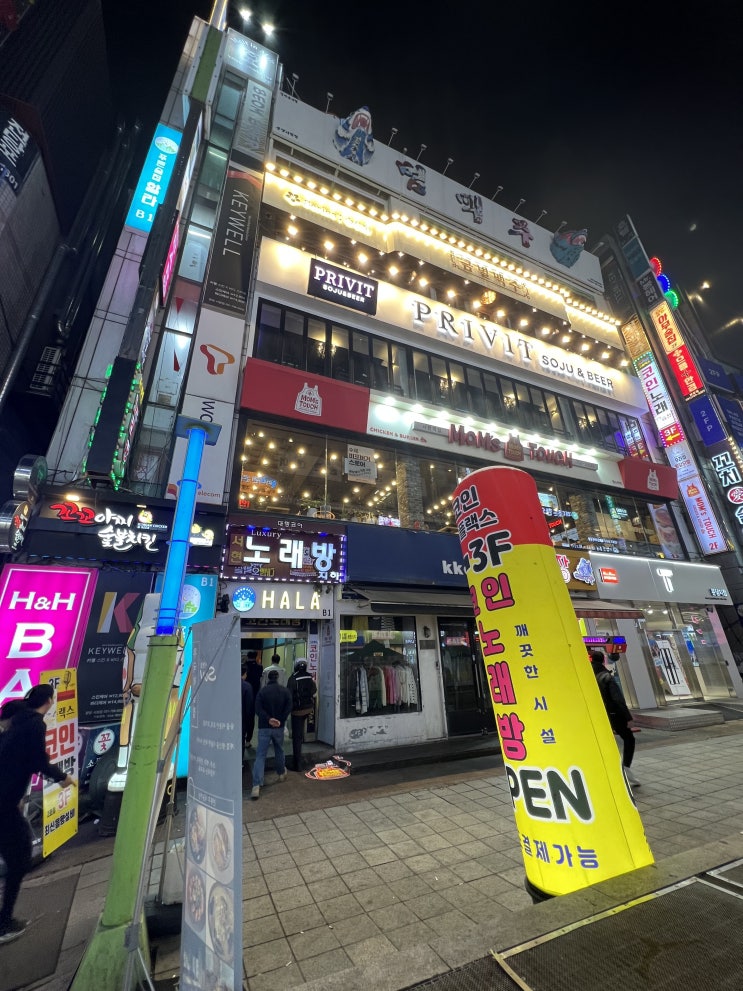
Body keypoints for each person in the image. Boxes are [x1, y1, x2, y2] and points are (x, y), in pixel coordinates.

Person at [0, 684, 75, 944]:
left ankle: (4, 919)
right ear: (50, 701)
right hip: (4, 806)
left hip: (7, 803)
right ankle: (4, 923)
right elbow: (37, 761)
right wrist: (63, 777)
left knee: (17, 857)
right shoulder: (34, 724)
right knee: (19, 859)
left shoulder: (17, 724)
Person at [590, 651, 640, 787]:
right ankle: (626, 769)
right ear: (603, 660)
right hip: (614, 714)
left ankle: (602, 770)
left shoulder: (588, 676)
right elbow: (618, 700)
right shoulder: (606, 677)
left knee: (603, 741)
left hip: (598, 714)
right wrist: (628, 717)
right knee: (629, 739)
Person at [251, 670, 292, 800]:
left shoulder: (262, 692)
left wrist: (269, 719)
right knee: (279, 750)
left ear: (268, 678)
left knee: (260, 755)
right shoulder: (285, 691)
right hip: (278, 727)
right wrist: (280, 719)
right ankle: (281, 773)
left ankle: (256, 785)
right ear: (277, 678)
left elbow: (257, 709)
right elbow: (289, 706)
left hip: (264, 727)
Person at [286, 658, 317, 772]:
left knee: (297, 737)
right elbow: (314, 691)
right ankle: (300, 758)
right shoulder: (309, 676)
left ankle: (297, 764)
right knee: (300, 734)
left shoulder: (293, 678)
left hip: (297, 711)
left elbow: (289, 695)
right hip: (308, 709)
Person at [240, 665, 255, 764]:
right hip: (242, 719)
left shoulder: (228, 684)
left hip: (230, 719)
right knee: (241, 740)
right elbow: (249, 706)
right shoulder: (247, 686)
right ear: (245, 674)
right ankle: (239, 763)